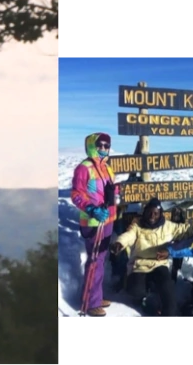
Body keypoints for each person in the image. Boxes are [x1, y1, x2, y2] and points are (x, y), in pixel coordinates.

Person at [111, 198, 193, 318]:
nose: (152, 216)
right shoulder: (137, 225)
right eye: (150, 212)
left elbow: (186, 229)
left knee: (167, 286)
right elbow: (128, 236)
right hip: (140, 264)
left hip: (159, 263)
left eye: (155, 213)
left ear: (160, 214)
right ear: (145, 212)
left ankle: (169, 313)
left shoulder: (167, 226)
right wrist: (119, 243)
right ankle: (145, 293)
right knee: (134, 290)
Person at [71, 133, 120, 317]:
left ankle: (96, 297)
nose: (103, 148)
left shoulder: (107, 168)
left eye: (107, 145)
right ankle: (90, 304)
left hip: (108, 220)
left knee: (100, 260)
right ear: (92, 145)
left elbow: (108, 189)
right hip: (93, 221)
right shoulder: (84, 168)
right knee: (95, 261)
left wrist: (119, 189)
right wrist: (92, 209)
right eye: (100, 145)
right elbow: (76, 193)